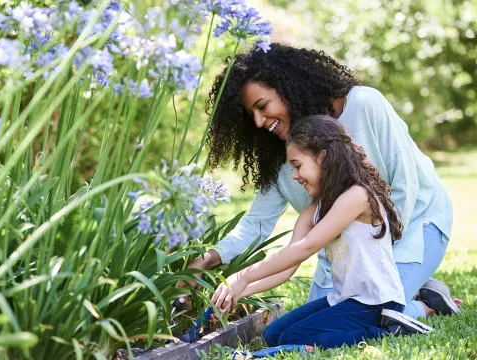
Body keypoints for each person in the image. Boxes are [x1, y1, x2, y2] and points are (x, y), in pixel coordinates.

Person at [187, 43, 459, 321]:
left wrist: (378, 266)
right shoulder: (280, 156)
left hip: (415, 224)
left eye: (262, 106)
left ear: (288, 88)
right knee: (316, 321)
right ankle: (412, 288)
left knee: (373, 315)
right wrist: (211, 257)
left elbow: (407, 185)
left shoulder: (364, 104)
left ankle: (426, 305)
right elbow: (256, 224)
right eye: (251, 114)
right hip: (347, 255)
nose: (258, 121)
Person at [212, 116, 433, 349]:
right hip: (345, 300)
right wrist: (238, 292)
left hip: (377, 303)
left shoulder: (358, 196)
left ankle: (392, 331)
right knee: (273, 335)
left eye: (297, 165)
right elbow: (288, 264)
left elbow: (306, 248)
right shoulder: (314, 210)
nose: (295, 176)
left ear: (323, 157)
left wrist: (243, 276)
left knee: (292, 338)